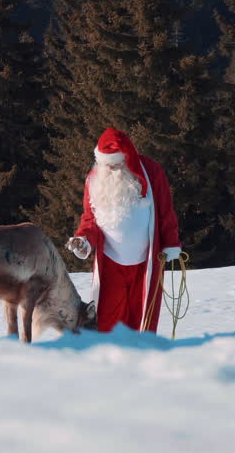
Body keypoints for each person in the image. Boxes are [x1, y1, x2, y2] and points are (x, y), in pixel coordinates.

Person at [66, 127, 181, 333]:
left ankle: (139, 353)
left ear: (126, 159)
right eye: (105, 164)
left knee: (142, 319)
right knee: (107, 321)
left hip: (145, 263)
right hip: (110, 264)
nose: (109, 169)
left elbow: (166, 211)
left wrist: (171, 243)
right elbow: (90, 219)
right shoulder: (94, 179)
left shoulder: (151, 171)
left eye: (115, 164)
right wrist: (83, 240)